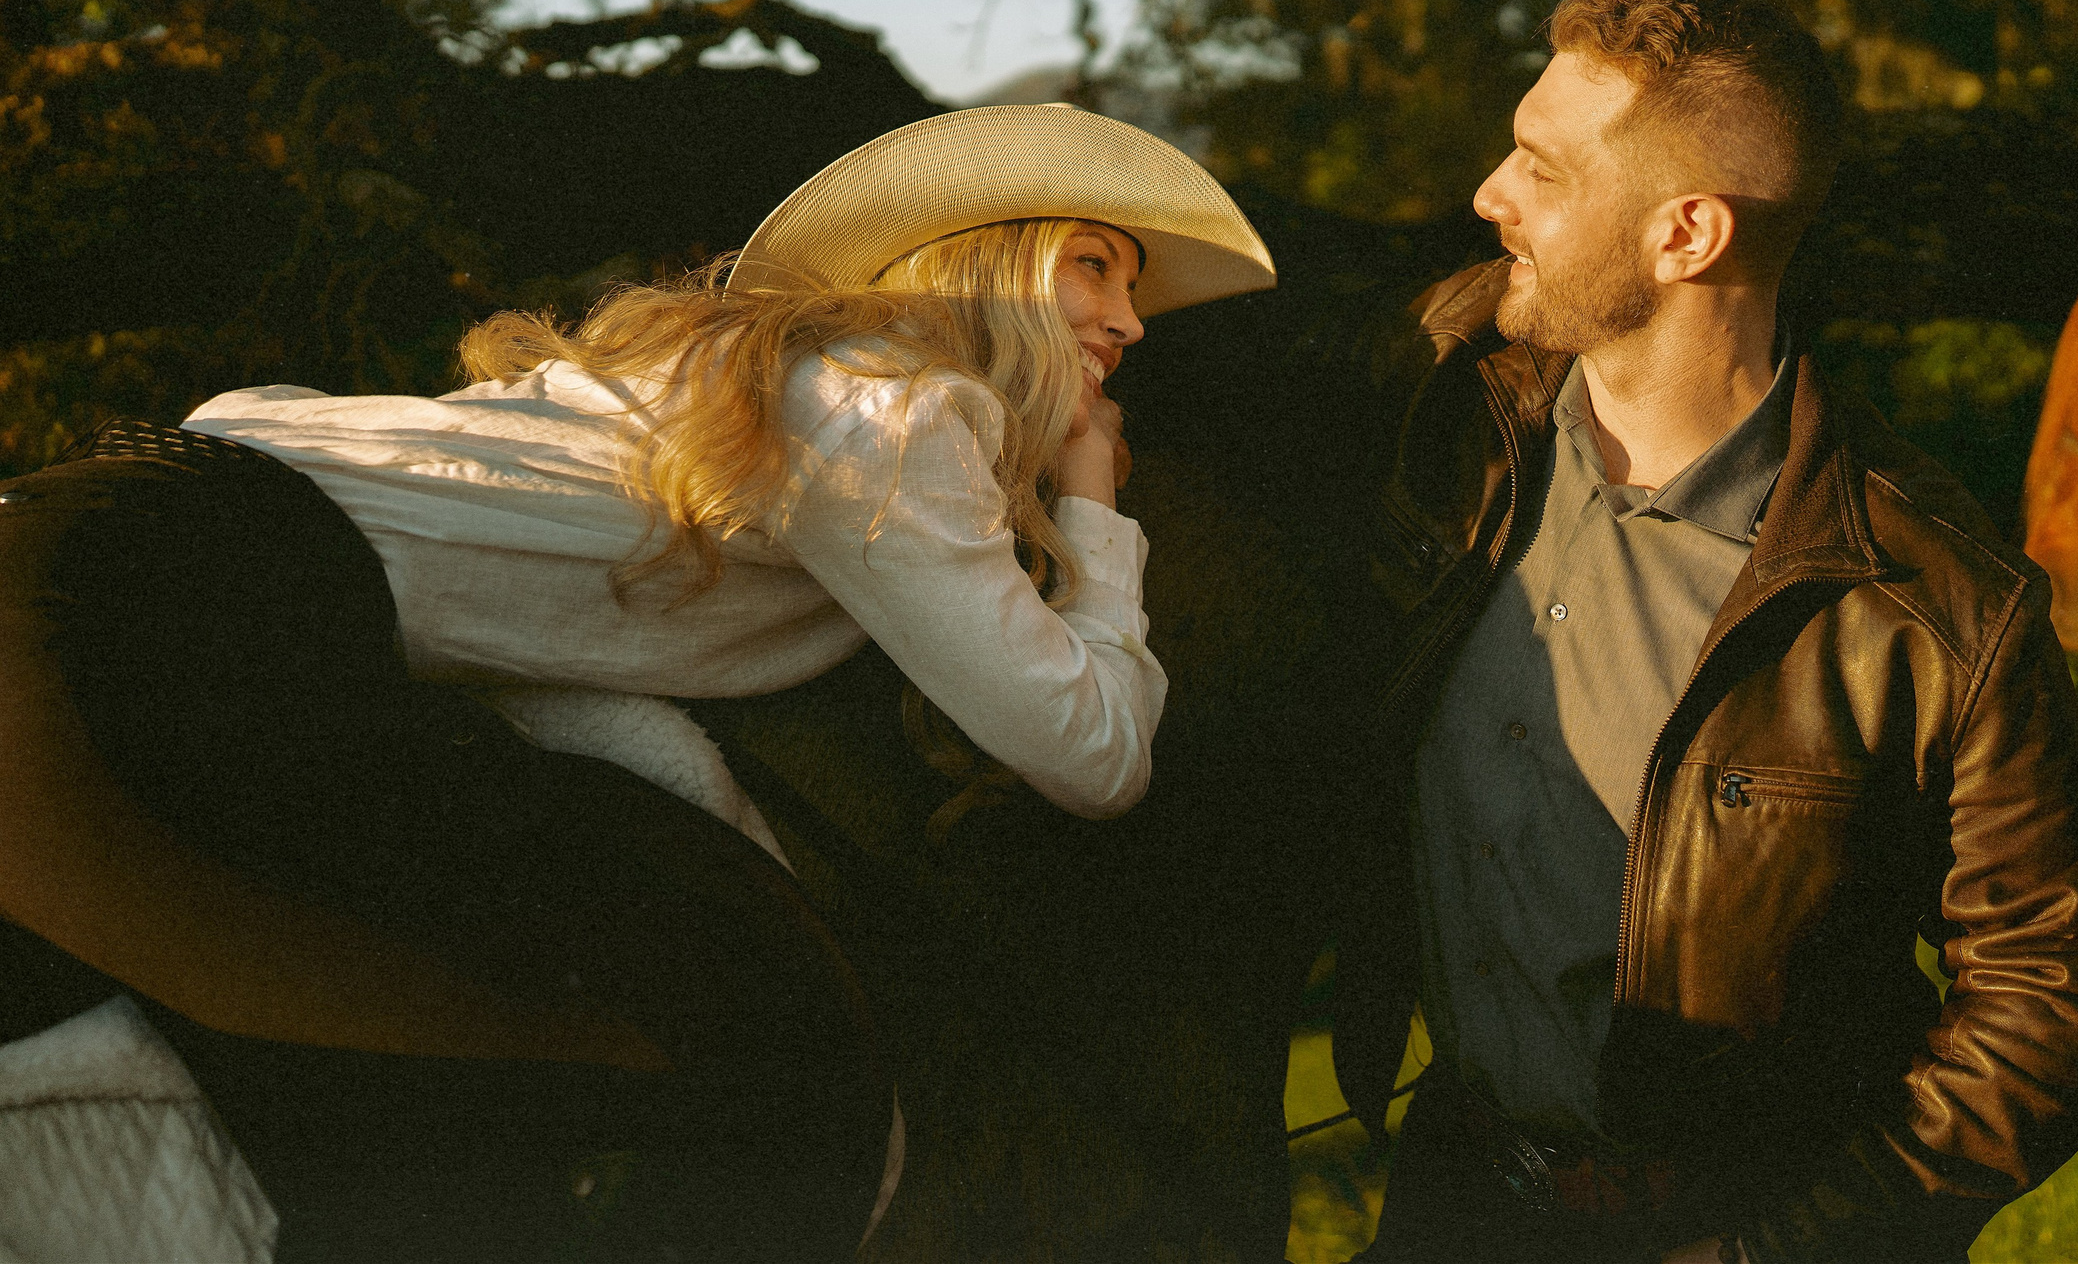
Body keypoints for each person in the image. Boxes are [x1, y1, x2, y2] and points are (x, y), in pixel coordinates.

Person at [0, 104, 1274, 1260]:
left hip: (114, 528)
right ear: (976, 265)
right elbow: (1093, 754)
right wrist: (1096, 510)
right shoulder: (896, 408)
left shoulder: (730, 371)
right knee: (749, 1050)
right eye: (1094, 264)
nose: (1129, 321)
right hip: (178, 606)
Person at [1332, 0, 2078, 1264]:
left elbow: (2058, 986)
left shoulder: (1926, 598)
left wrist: (1804, 1243)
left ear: (1687, 234)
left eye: (1541, 169)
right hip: (1449, 1199)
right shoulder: (1450, 426)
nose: (1490, 193)